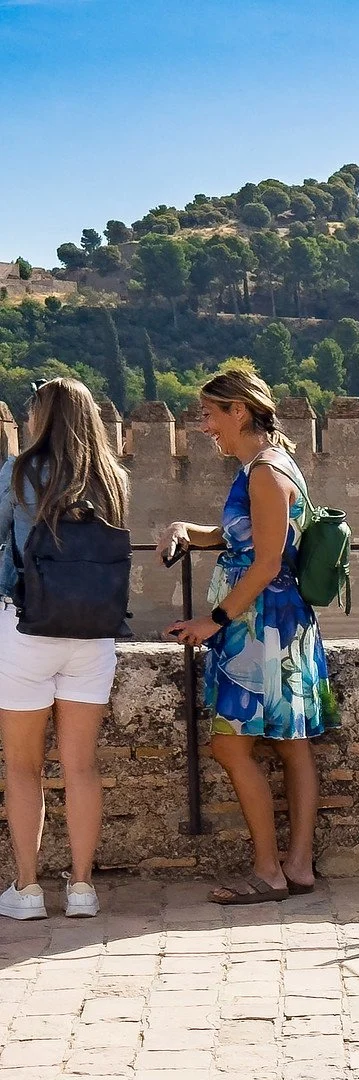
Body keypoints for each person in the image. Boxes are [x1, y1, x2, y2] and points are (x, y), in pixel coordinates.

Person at [159, 369, 336, 905]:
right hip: (284, 623)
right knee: (292, 743)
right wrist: (193, 531)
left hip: (259, 626)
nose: (205, 426)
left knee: (230, 745)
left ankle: (268, 872)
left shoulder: (262, 473)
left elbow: (264, 562)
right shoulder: (276, 465)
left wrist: (214, 620)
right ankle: (298, 866)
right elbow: (255, 533)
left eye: (210, 414)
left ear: (239, 411)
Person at [0, 379, 130, 920]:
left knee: (23, 766)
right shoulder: (113, 480)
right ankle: (82, 888)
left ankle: (27, 890)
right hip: (93, 632)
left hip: (28, 627)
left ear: (42, 416)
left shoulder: (19, 472)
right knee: (81, 765)